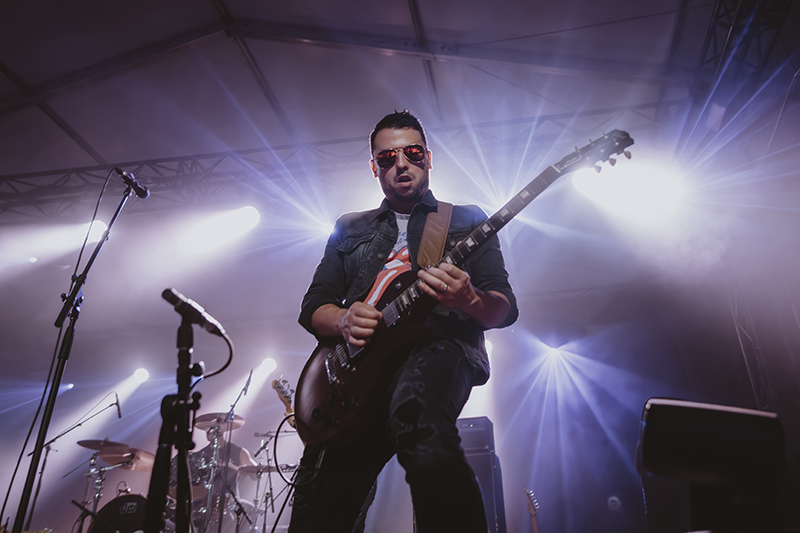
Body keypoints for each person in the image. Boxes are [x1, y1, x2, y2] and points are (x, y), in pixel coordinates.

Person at [288, 110, 518, 533]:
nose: (401, 164)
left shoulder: (466, 219)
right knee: (319, 507)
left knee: (420, 420)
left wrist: (468, 298)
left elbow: (503, 306)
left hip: (437, 348)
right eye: (387, 157)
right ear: (373, 167)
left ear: (428, 157)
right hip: (353, 373)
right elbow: (314, 305)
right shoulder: (348, 227)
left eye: (412, 153)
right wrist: (343, 319)